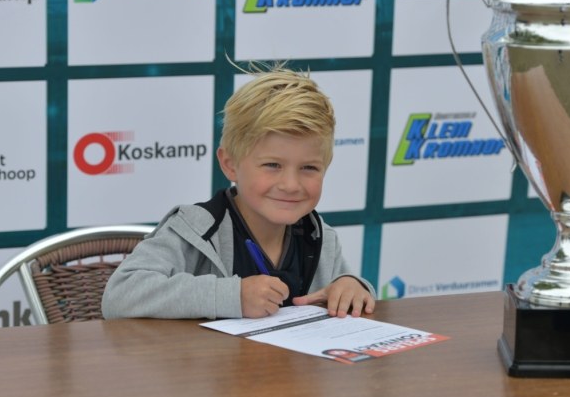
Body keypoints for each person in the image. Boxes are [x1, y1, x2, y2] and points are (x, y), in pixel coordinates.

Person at [102, 64, 376, 320]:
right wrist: (232, 296)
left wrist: (352, 286)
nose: (291, 185)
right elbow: (119, 295)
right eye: (272, 165)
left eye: (309, 168)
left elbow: (349, 290)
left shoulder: (321, 237)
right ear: (229, 165)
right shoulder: (194, 228)